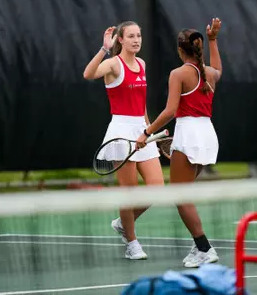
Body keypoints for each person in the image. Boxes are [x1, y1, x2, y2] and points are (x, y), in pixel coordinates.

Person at [136, 18, 223, 268]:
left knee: (180, 196)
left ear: (179, 50)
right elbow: (218, 68)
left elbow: (170, 110)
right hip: (207, 135)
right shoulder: (210, 74)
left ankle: (204, 248)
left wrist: (146, 132)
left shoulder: (178, 74)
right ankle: (199, 247)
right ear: (199, 49)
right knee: (183, 194)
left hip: (189, 135)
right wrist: (214, 40)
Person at [83, 21, 164, 260]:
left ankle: (122, 223)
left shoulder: (142, 64)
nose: (137, 40)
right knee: (129, 193)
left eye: (139, 35)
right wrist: (103, 49)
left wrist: (148, 131)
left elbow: (142, 102)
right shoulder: (112, 64)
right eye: (131, 36)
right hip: (120, 132)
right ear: (121, 39)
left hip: (142, 130)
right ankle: (132, 242)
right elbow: (88, 74)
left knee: (157, 189)